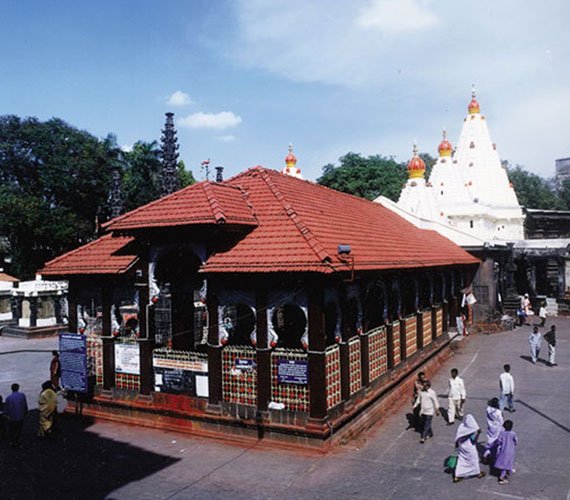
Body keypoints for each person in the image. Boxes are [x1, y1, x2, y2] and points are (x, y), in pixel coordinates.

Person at [453, 414, 486, 482]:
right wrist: (478, 433)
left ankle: (458, 475)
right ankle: (477, 472)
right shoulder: (470, 432)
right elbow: (474, 440)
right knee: (474, 460)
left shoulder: (461, 427)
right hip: (470, 448)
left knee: (461, 460)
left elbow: (457, 436)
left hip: (462, 447)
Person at [488, 420, 518, 485]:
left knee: (504, 462)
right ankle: (502, 477)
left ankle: (507, 471)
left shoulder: (502, 433)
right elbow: (516, 441)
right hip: (511, 450)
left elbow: (499, 441)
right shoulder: (513, 434)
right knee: (509, 461)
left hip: (503, 450)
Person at [4, 383, 28, 447]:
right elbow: (25, 405)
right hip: (20, 415)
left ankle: (12, 441)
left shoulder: (8, 398)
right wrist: (25, 412)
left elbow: (6, 408)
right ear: (18, 388)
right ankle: (17, 441)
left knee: (12, 429)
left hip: (12, 417)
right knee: (19, 429)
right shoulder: (22, 395)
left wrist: (6, 415)